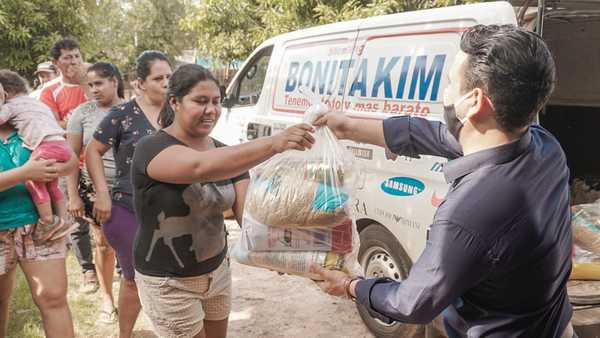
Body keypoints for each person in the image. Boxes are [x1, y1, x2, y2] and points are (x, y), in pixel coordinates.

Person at [311, 24, 575, 338]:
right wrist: (349, 127)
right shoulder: (546, 147)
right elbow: (438, 136)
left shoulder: (468, 214)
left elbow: (414, 302)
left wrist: (351, 285)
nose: (445, 93)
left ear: (474, 101)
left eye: (449, 82)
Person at [131, 63, 314, 338]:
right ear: (175, 102)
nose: (211, 110)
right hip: (169, 282)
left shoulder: (227, 154)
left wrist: (278, 255)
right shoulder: (152, 148)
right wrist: (275, 143)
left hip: (216, 272)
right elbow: (198, 168)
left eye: (216, 102)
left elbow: (249, 216)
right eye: (200, 101)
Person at [85, 50, 172, 338]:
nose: (166, 83)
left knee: (173, 280)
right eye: (158, 78)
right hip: (128, 208)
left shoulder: (179, 111)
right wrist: (102, 194)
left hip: (172, 211)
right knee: (134, 279)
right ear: (140, 83)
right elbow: (92, 152)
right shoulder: (122, 115)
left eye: (169, 77)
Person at [0, 82, 78, 338]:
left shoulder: (29, 117)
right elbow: (29, 171)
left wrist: (57, 168)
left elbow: (69, 161)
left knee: (53, 298)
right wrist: (25, 173)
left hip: (41, 226)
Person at [66, 62, 125, 323]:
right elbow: (69, 158)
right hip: (95, 191)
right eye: (89, 85)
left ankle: (135, 295)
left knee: (136, 244)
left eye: (98, 83)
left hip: (130, 189)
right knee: (103, 245)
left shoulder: (132, 109)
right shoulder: (82, 113)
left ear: (114, 81)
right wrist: (73, 195)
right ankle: (107, 299)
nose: (93, 90)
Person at [39, 38, 98, 293]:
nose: (74, 61)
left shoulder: (93, 80)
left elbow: (103, 110)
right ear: (56, 63)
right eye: (67, 58)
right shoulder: (49, 91)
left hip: (100, 158)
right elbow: (54, 126)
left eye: (76, 56)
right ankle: (88, 270)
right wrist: (77, 124)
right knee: (76, 217)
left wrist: (85, 83)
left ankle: (118, 265)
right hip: (67, 162)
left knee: (107, 212)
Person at [0, 70, 77, 241]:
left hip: (36, 229)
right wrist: (26, 172)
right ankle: (60, 220)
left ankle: (50, 222)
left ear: (5, 93)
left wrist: (51, 169)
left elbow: (72, 163)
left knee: (41, 184)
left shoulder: (16, 114)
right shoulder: (36, 107)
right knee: (51, 186)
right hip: (4, 226)